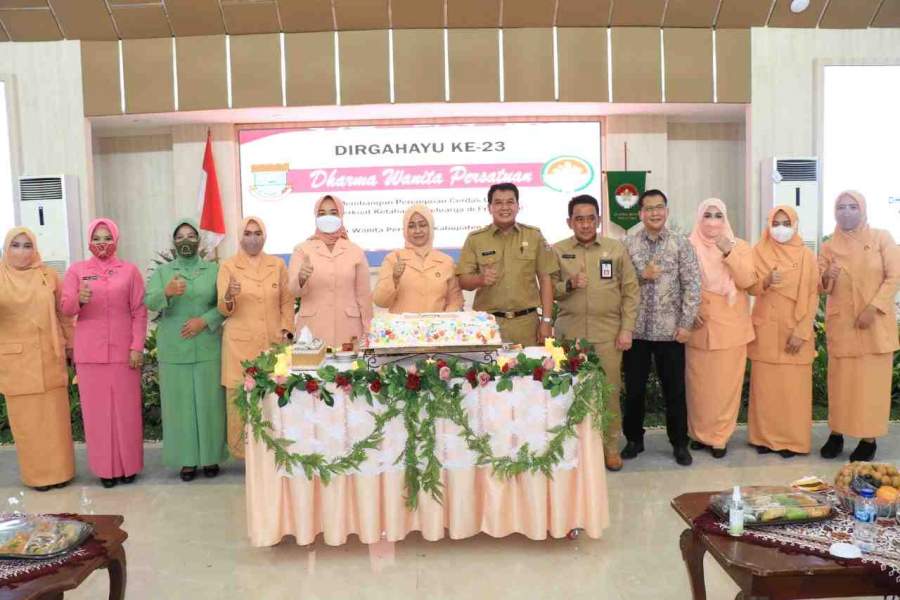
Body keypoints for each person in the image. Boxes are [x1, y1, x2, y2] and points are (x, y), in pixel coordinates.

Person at [552, 194, 639, 471]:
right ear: (569, 222)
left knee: (608, 393)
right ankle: (572, 449)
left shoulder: (615, 249)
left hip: (608, 335)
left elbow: (631, 291)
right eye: (579, 219)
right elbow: (548, 290)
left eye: (591, 218)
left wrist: (626, 329)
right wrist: (569, 284)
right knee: (568, 393)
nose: (586, 224)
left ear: (599, 220)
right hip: (569, 336)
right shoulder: (557, 250)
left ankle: (610, 448)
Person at [60, 218, 148, 488]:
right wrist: (79, 299)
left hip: (124, 354)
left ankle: (129, 466)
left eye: (107, 238)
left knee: (126, 411)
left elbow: (139, 311)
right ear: (89, 241)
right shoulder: (77, 271)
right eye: (96, 238)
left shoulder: (129, 271)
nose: (102, 243)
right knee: (97, 414)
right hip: (90, 355)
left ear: (116, 240)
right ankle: (105, 470)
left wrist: (137, 346)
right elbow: (65, 308)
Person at [622, 189, 701, 466]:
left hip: (671, 332)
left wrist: (686, 324)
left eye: (659, 207)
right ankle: (634, 439)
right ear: (640, 213)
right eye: (649, 208)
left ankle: (679, 443)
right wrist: (641, 276)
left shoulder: (681, 244)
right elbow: (619, 285)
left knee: (675, 391)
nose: (654, 213)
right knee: (634, 391)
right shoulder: (628, 244)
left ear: (666, 211)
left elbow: (693, 285)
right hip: (636, 332)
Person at [818, 191, 899, 462]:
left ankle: (868, 439)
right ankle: (836, 434)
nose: (846, 212)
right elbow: (820, 286)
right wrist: (826, 276)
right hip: (843, 326)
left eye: (853, 206)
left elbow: (894, 276)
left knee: (871, 387)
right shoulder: (829, 246)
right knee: (840, 385)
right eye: (841, 207)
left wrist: (873, 308)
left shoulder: (881, 238)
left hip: (874, 327)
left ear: (863, 209)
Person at [145, 218, 227, 481]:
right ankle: (186, 460)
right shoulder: (164, 272)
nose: (186, 241)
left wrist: (205, 320)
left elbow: (225, 304)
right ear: (173, 242)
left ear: (198, 240)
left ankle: (211, 457)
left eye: (191, 235)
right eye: (180, 236)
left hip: (207, 346)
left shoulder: (214, 270)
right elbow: (149, 302)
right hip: (175, 349)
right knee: (179, 407)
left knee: (210, 403)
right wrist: (167, 293)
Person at [0, 227, 75, 490]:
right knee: (28, 424)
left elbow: (63, 313)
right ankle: (38, 477)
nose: (22, 252)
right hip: (17, 363)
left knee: (55, 421)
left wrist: (71, 345)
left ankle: (62, 472)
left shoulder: (48, 275)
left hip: (49, 355)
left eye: (27, 245)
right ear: (6, 249)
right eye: (16, 245)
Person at [217, 217, 294, 459]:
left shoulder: (277, 265)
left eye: (257, 233)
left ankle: (273, 452)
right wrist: (229, 295)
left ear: (265, 236)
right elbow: (223, 308)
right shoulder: (228, 266)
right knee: (240, 400)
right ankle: (244, 456)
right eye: (248, 233)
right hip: (239, 346)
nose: (253, 238)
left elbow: (287, 300)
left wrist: (286, 329)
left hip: (273, 345)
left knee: (273, 398)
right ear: (240, 237)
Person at [685, 199, 756, 459]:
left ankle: (719, 437)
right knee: (698, 387)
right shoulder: (688, 246)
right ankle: (698, 434)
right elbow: (679, 283)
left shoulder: (740, 246)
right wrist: (690, 310)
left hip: (730, 329)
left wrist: (729, 253)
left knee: (725, 388)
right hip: (699, 326)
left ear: (725, 219)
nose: (713, 221)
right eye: (707, 215)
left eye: (718, 215)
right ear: (699, 218)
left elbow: (748, 281)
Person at [746, 206, 818, 458]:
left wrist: (802, 332)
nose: (781, 228)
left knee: (793, 390)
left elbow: (812, 296)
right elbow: (749, 286)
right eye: (776, 223)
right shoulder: (758, 251)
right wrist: (765, 281)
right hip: (766, 328)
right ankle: (764, 438)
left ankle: (792, 441)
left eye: (786, 223)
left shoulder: (806, 255)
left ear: (795, 225)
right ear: (768, 225)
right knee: (765, 389)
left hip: (794, 330)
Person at [457, 183, 559, 346]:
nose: (504, 207)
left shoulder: (534, 236)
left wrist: (546, 321)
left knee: (531, 363)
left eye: (510, 202)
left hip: (527, 325)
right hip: (488, 324)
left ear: (518, 206)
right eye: (498, 202)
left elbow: (545, 279)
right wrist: (480, 279)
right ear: (489, 208)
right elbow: (462, 281)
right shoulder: (475, 239)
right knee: (488, 364)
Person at [287, 195, 373, 348]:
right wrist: (301, 278)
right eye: (322, 214)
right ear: (315, 217)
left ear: (341, 215)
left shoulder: (355, 251)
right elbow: (294, 291)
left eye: (333, 213)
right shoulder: (302, 249)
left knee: (350, 364)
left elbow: (364, 296)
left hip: (349, 329)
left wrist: (369, 330)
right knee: (314, 363)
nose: (327, 218)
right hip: (313, 328)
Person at [373, 204, 464, 313]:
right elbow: (380, 302)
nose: (417, 230)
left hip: (437, 324)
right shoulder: (393, 259)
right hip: (402, 324)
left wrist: (444, 320)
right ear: (405, 230)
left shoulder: (446, 261)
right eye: (411, 226)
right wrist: (394, 279)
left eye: (422, 225)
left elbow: (455, 301)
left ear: (430, 227)